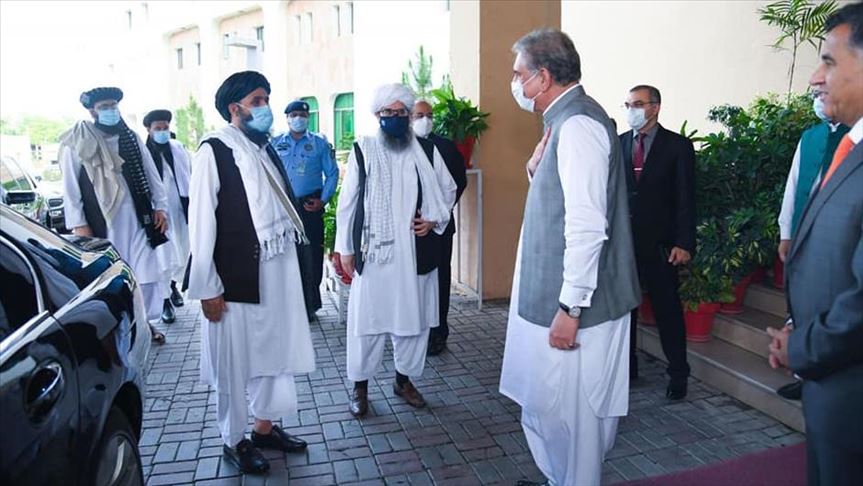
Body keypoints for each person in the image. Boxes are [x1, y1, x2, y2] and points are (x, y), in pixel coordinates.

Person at [499, 29, 640, 486]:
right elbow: (564, 198)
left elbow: (587, 225)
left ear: (542, 78)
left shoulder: (578, 125)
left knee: (575, 420)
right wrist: (535, 169)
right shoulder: (563, 121)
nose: (515, 83)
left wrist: (571, 308)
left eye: (519, 74)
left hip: (578, 310)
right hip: (557, 301)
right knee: (548, 408)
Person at [187, 71, 316, 475]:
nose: (266, 108)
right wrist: (207, 286)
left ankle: (263, 428)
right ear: (235, 108)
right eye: (257, 101)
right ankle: (233, 440)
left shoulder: (263, 148)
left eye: (266, 99)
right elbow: (201, 223)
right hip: (235, 278)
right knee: (234, 361)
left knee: (273, 353)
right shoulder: (215, 151)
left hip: (275, 273)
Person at [767, 3, 863, 485]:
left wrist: (801, 347)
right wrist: (796, 324)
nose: (814, 78)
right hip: (833, 390)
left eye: (828, 61)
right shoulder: (848, 147)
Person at [335, 83, 457, 418]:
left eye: (401, 112)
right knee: (367, 323)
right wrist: (345, 249)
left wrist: (433, 219)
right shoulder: (363, 149)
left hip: (416, 255)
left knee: (413, 323)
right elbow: (348, 203)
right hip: (375, 254)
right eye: (388, 112)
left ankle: (403, 381)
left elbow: (447, 189)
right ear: (378, 115)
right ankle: (360, 387)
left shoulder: (426, 150)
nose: (395, 117)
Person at [59, 86, 172, 344]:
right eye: (104, 107)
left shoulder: (130, 138)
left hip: (139, 220)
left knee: (145, 275)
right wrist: (79, 225)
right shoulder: (76, 142)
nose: (111, 111)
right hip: (104, 225)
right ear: (92, 111)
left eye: (113, 106)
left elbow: (151, 174)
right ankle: (124, 331)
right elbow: (70, 190)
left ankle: (144, 323)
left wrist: (161, 207)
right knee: (112, 280)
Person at [619, 85, 696, 399]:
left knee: (668, 311)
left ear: (655, 107)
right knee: (625, 310)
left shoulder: (677, 146)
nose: (631, 110)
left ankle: (678, 374)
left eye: (637, 104)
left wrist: (684, 242)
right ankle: (626, 369)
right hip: (625, 243)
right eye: (628, 104)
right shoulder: (620, 143)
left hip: (661, 244)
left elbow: (686, 197)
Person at [774, 96, 850, 401]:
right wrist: (786, 232)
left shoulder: (854, 135)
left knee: (828, 301)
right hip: (803, 230)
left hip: (836, 234)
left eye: (824, 94)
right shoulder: (810, 137)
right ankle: (802, 373)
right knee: (800, 302)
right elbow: (793, 185)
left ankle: (826, 374)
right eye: (816, 95)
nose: (819, 100)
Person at [411, 100, 468, 356]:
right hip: (412, 229)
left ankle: (438, 333)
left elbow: (458, 183)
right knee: (413, 283)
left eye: (429, 115)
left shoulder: (445, 147)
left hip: (441, 228)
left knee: (440, 280)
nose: (425, 120)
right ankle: (412, 332)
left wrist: (438, 216)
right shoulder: (401, 147)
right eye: (419, 115)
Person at [273, 100, 339, 320]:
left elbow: (332, 173)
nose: (298, 118)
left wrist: (323, 200)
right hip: (284, 206)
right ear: (287, 118)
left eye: (302, 114)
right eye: (293, 115)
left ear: (308, 117)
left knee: (311, 255)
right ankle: (289, 305)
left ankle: (310, 304)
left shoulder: (320, 143)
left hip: (310, 206)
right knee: (286, 254)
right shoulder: (275, 143)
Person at [143, 109, 193, 323]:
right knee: (163, 256)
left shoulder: (178, 148)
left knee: (181, 252)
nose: (163, 132)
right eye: (158, 128)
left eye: (165, 128)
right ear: (149, 130)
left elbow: (190, 173)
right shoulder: (143, 152)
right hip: (158, 213)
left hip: (180, 207)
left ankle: (173, 287)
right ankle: (164, 301)